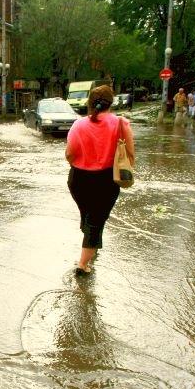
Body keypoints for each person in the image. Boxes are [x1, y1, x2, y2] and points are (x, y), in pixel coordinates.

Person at [65, 85, 135, 276]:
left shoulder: (78, 125)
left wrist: (82, 161)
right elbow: (130, 155)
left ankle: (90, 241)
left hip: (78, 179)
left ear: (89, 102)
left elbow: (69, 154)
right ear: (111, 102)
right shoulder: (121, 124)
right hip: (106, 180)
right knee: (96, 220)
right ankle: (82, 265)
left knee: (89, 215)